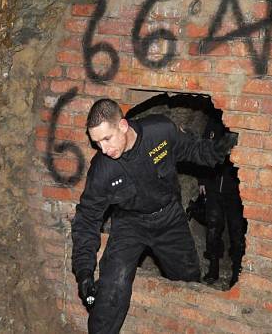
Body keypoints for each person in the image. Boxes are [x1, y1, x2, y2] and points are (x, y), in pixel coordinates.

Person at [71, 98, 236, 334]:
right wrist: (84, 273)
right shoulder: (102, 170)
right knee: (112, 289)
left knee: (190, 281)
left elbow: (192, 148)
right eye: (96, 143)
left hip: (169, 218)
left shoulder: (159, 131)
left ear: (123, 126)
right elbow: (86, 221)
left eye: (106, 139)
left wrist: (217, 151)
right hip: (129, 224)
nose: (103, 149)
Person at [198, 109, 246, 287]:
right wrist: (202, 180)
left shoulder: (240, 124)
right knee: (213, 229)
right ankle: (213, 268)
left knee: (236, 231)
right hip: (212, 184)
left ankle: (236, 271)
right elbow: (202, 151)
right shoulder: (213, 124)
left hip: (234, 188)